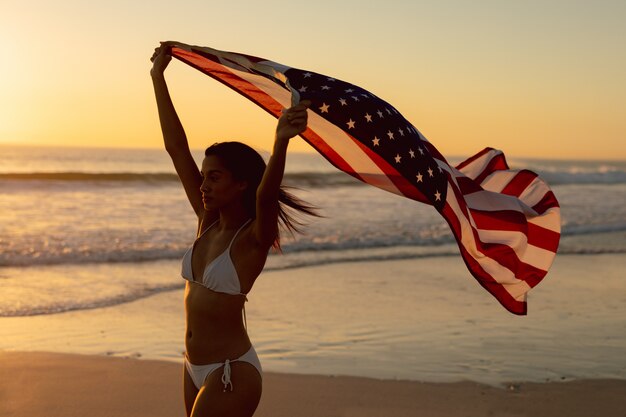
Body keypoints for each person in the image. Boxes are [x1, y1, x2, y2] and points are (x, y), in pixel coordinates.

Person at [150, 42, 317, 417]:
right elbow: (176, 148)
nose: (203, 185)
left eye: (215, 177)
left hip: (231, 372)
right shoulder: (205, 223)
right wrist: (158, 79)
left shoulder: (253, 240)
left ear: (240, 184)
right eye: (204, 177)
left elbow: (267, 197)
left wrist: (280, 143)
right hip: (193, 366)